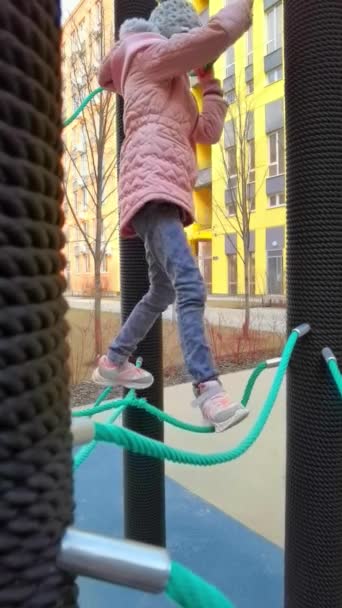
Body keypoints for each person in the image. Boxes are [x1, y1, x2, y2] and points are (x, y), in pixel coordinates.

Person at [94, 0, 253, 433]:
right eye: (188, 52)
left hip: (161, 192)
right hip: (152, 188)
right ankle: (206, 388)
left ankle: (113, 358)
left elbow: (208, 132)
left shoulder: (175, 85)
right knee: (189, 283)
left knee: (162, 289)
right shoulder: (151, 56)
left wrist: (209, 82)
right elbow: (215, 34)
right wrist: (240, 9)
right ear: (173, 39)